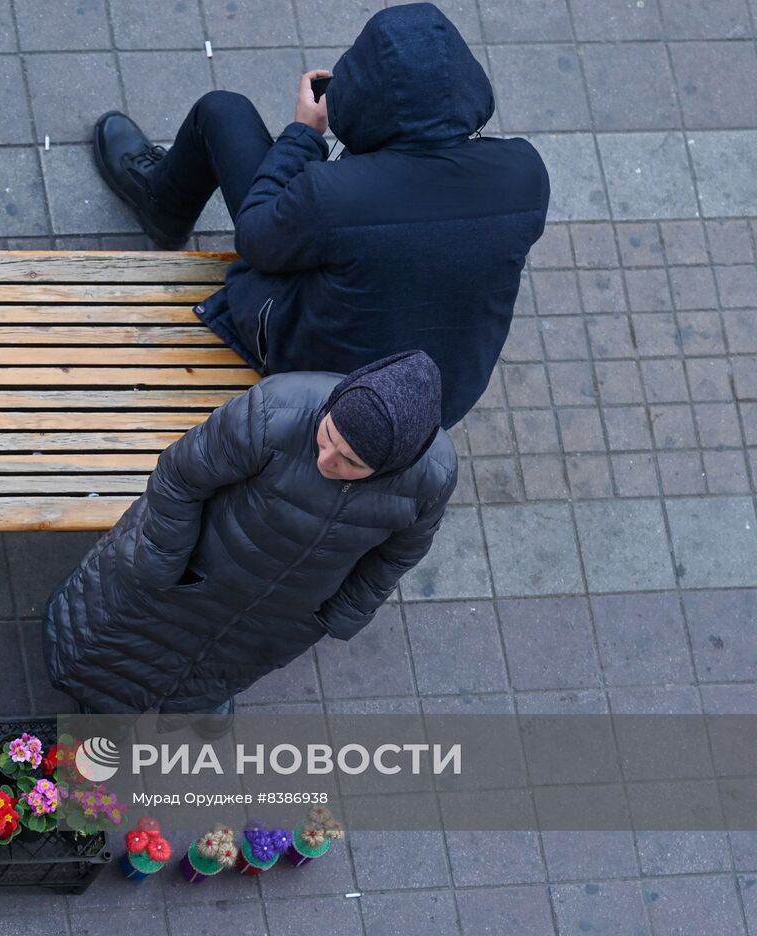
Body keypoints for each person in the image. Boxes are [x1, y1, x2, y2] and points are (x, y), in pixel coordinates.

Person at [92, 2, 549, 428]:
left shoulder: (333, 195)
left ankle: (162, 208)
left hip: (322, 392)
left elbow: (255, 238)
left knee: (222, 111)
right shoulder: (525, 174)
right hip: (439, 399)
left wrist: (302, 135)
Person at [43, 351, 456, 716]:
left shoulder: (432, 479)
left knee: (222, 668)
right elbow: (180, 477)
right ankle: (99, 703)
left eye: (350, 462)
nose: (326, 459)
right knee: (121, 642)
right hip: (191, 572)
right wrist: (163, 558)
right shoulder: (275, 410)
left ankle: (187, 704)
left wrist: (342, 613)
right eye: (327, 435)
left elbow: (399, 554)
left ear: (390, 467)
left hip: (281, 614)